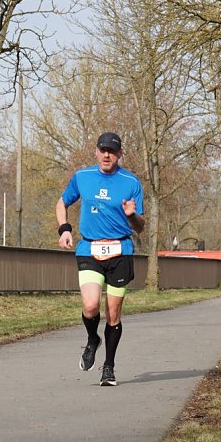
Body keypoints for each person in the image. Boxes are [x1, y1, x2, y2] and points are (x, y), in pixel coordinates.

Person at [55, 132, 145, 386]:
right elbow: (62, 203)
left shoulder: (131, 182)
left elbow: (140, 227)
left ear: (120, 154)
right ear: (96, 151)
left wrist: (132, 215)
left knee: (113, 313)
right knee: (91, 305)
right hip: (90, 249)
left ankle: (109, 366)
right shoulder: (83, 177)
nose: (107, 155)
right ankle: (93, 339)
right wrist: (64, 229)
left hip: (120, 251)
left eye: (112, 151)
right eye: (103, 150)